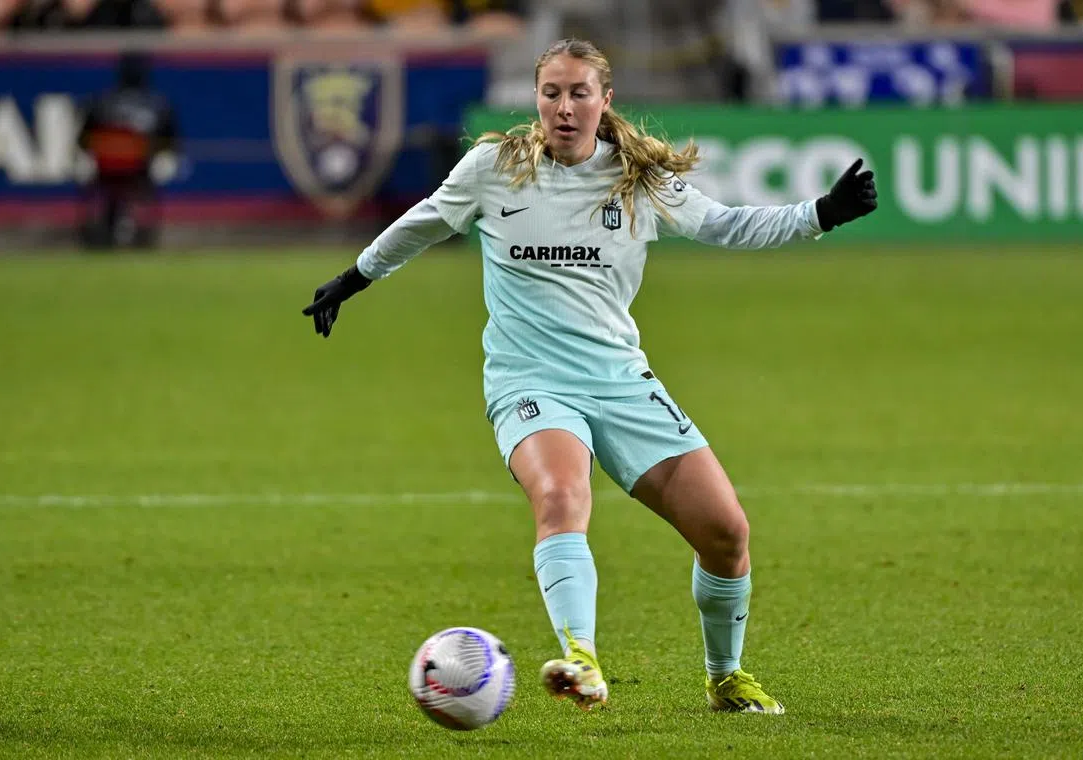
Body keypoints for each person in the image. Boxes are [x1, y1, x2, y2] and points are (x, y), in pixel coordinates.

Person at [302, 38, 877, 713]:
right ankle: (582, 660)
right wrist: (355, 277)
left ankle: (725, 678)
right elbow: (425, 222)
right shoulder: (495, 167)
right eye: (552, 93)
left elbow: (725, 224)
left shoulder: (635, 177)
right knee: (561, 498)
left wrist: (821, 214)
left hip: (620, 380)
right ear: (536, 100)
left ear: (605, 102)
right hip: (530, 380)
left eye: (580, 93)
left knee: (728, 534)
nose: (564, 107)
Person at [76, 51, 178, 248]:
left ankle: (110, 227)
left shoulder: (100, 102)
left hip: (105, 170)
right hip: (137, 170)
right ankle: (135, 230)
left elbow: (82, 140)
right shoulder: (157, 105)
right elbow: (170, 142)